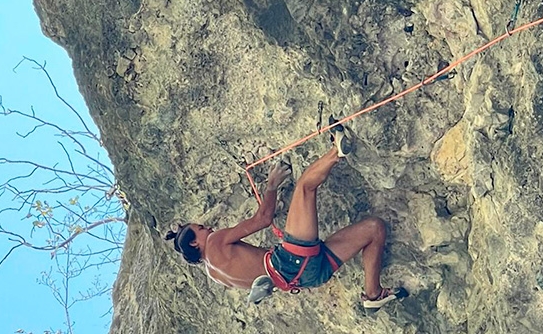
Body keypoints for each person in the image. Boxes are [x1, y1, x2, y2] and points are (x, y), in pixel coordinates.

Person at [165, 128, 406, 309]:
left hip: (305, 278)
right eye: (200, 229)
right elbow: (263, 218)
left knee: (374, 229)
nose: (207, 227)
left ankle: (373, 295)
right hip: (289, 261)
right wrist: (271, 186)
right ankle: (338, 149)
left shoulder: (216, 276)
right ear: (195, 243)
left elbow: (256, 275)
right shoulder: (215, 242)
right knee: (304, 187)